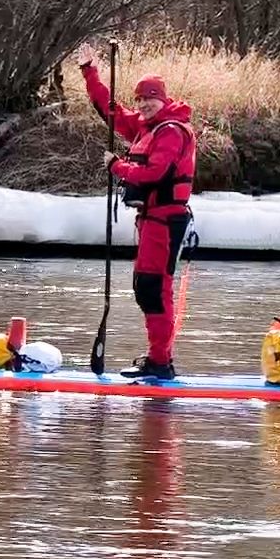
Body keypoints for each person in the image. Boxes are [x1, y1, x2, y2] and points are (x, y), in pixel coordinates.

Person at [77, 45, 198, 380]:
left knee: (154, 289)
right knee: (146, 287)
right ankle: (158, 359)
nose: (144, 104)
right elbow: (110, 110)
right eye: (141, 99)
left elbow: (155, 174)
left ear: (163, 99)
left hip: (166, 220)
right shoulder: (146, 127)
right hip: (150, 220)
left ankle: (161, 362)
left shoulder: (170, 131)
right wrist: (90, 72)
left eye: (151, 99)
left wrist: (117, 166)